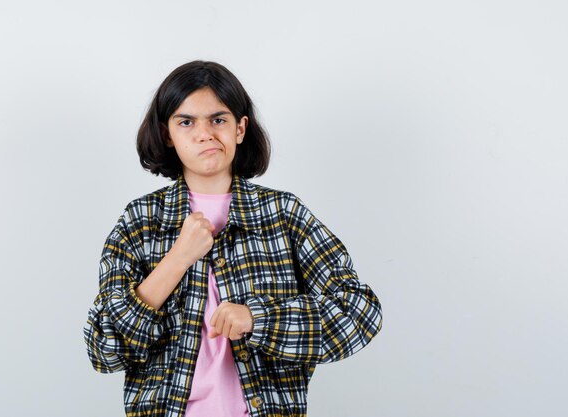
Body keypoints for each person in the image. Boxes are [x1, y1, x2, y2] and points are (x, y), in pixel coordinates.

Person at [83, 60, 383, 417]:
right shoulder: (140, 221)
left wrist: (259, 320)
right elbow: (104, 348)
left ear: (240, 128)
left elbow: (359, 311)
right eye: (186, 121)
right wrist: (178, 259)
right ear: (167, 134)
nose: (205, 133)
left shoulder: (284, 214)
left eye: (218, 119)